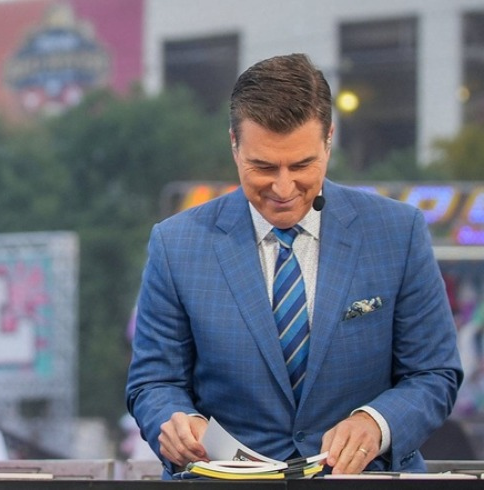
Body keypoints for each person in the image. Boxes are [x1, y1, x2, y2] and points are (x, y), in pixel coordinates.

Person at [125, 53, 462, 478]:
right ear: (233, 144)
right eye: (263, 166)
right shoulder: (176, 244)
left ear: (329, 140)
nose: (283, 188)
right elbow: (153, 384)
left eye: (302, 165)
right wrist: (176, 423)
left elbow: (434, 373)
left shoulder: (398, 233)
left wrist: (375, 424)